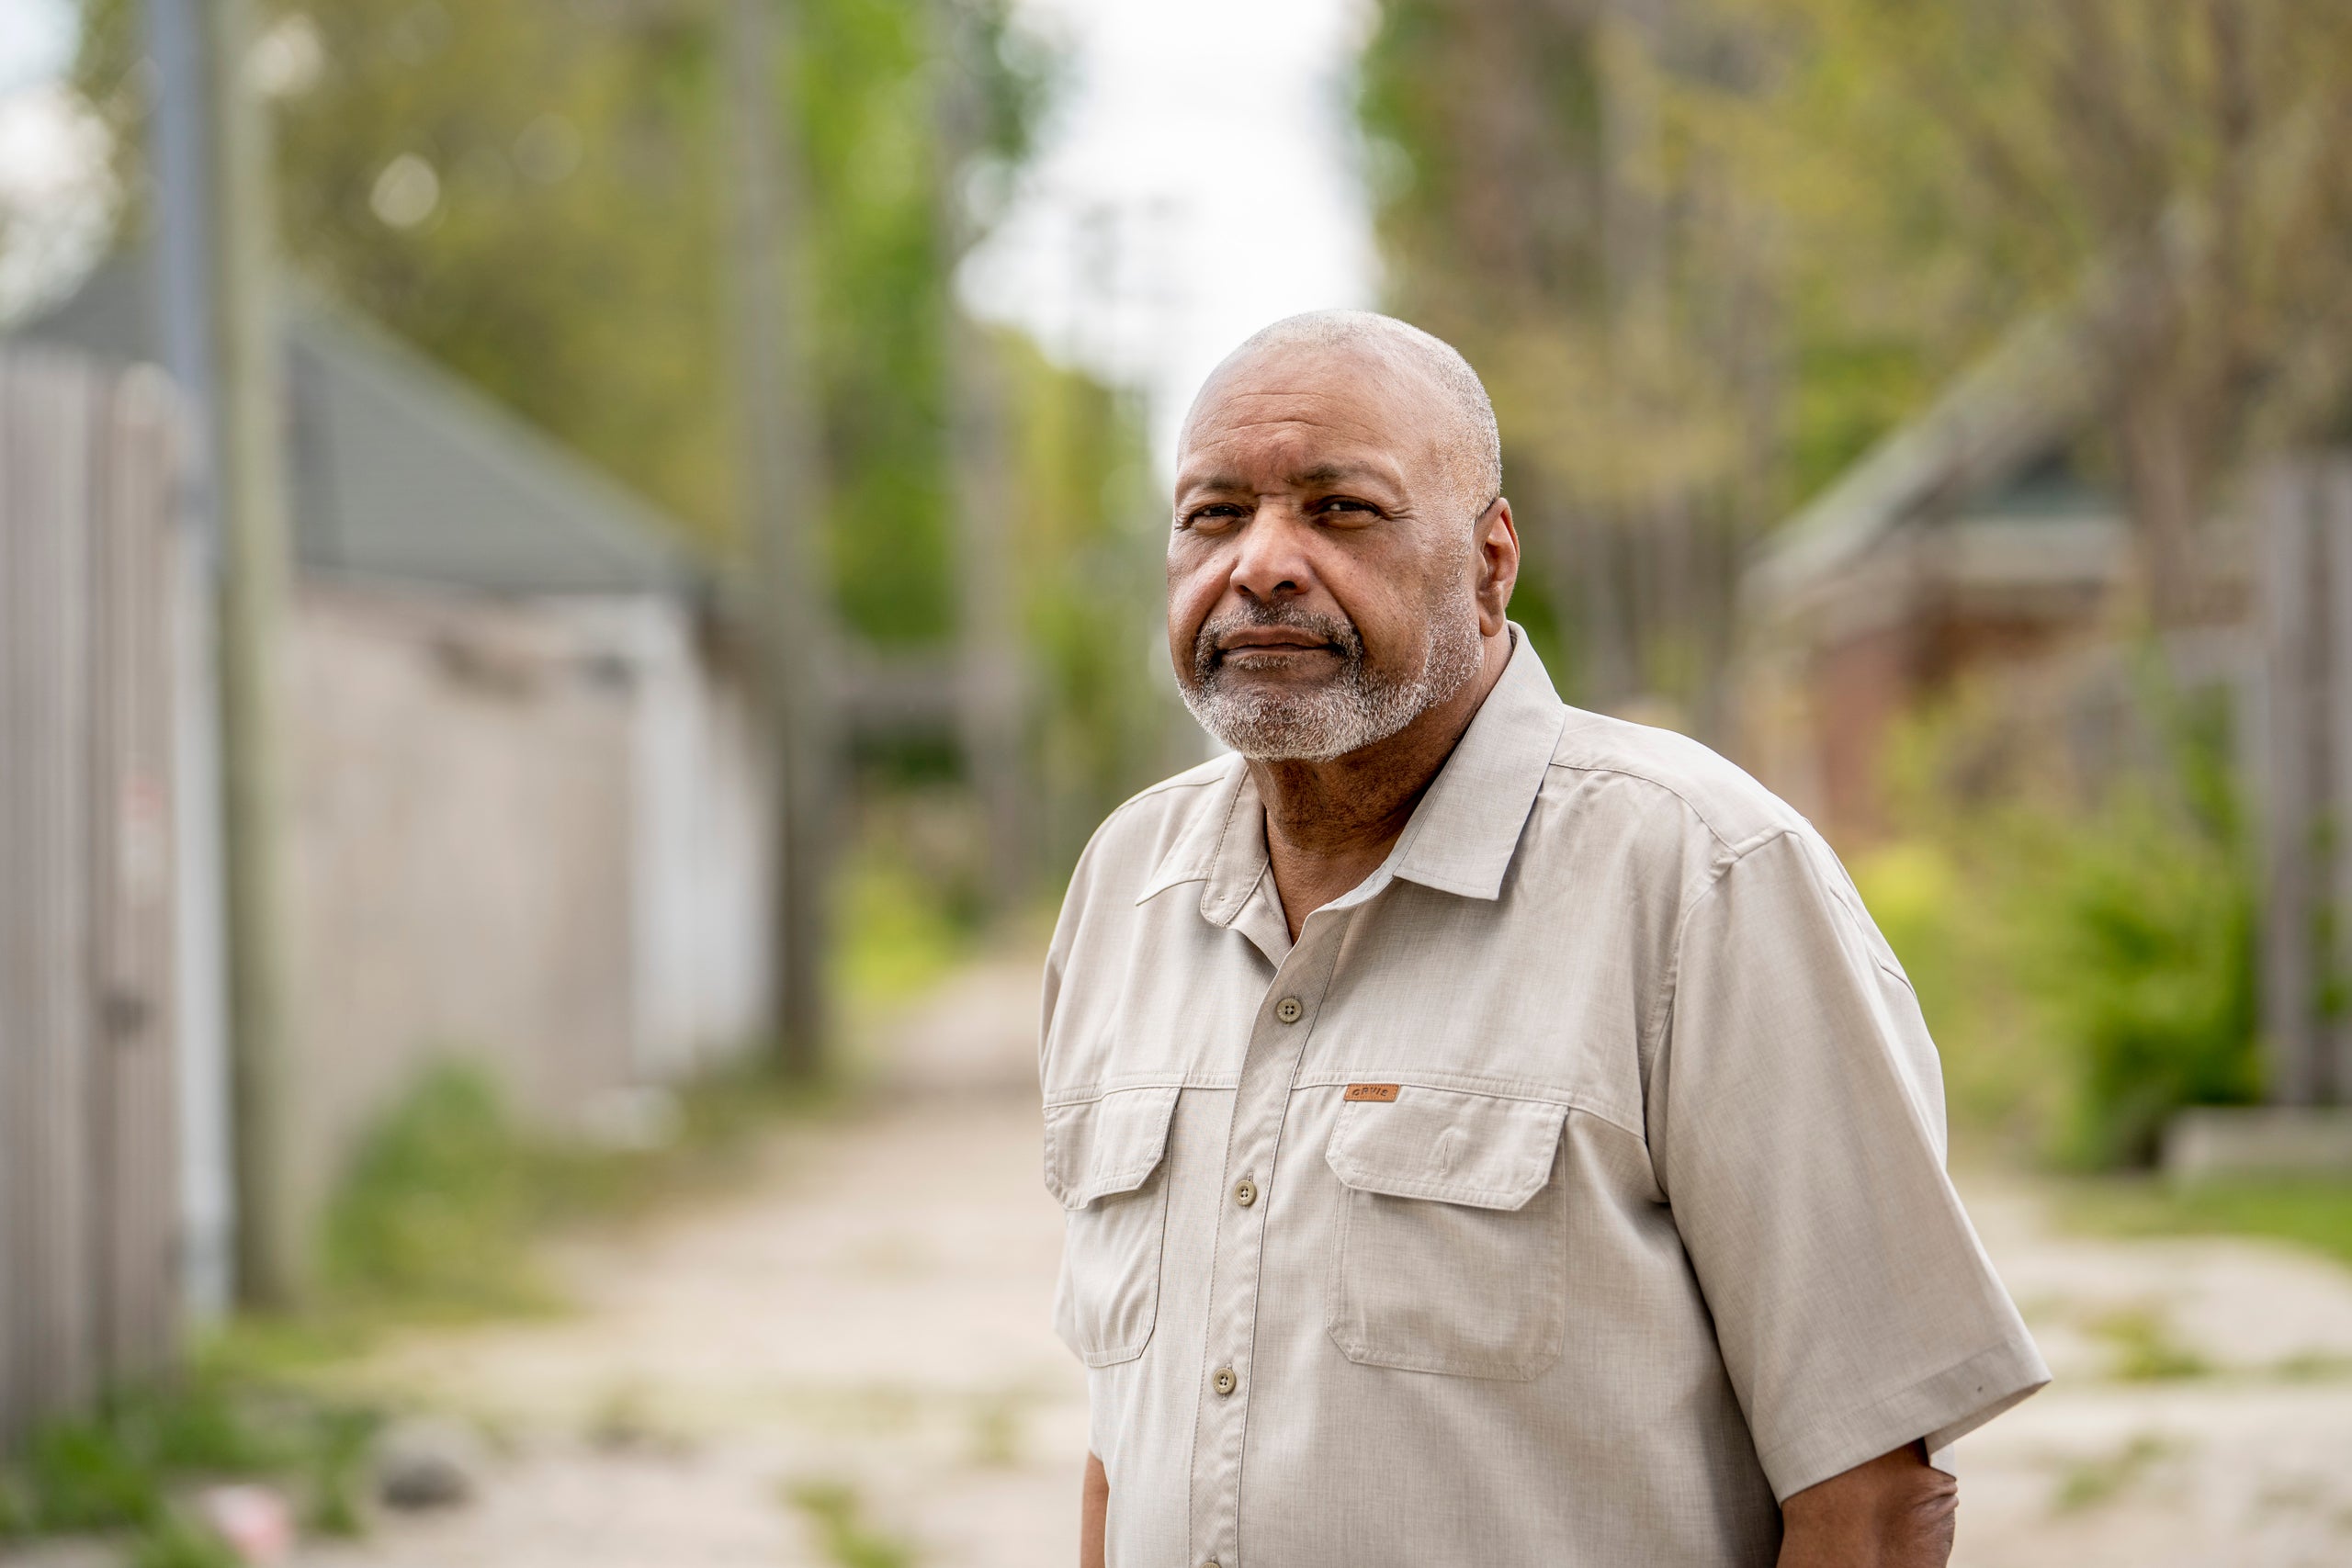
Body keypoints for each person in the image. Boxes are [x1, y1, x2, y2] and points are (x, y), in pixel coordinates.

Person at [1038, 310, 2047, 1568]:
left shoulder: (1700, 878)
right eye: (1214, 513)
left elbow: (1877, 1497)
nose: (1264, 563)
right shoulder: (1127, 886)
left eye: (1341, 508)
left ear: (1489, 560)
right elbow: (1128, 1445)